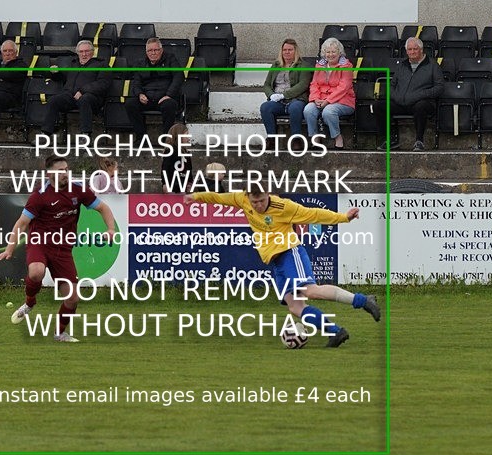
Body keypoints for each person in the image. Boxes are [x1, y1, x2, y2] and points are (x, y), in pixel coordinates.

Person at [183, 184, 380, 348]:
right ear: (247, 197)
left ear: (268, 194)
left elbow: (313, 214)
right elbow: (218, 198)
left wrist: (343, 218)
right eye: (254, 202)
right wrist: (196, 196)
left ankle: (363, 300)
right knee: (295, 307)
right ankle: (336, 332)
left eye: (261, 200)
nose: (258, 206)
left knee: (311, 291)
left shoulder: (283, 206)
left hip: (290, 252)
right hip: (275, 261)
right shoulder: (241, 199)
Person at [0, 156, 116, 342]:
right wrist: (10, 249)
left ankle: (60, 333)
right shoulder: (40, 196)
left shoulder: (78, 190)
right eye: (60, 171)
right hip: (40, 243)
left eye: (66, 169)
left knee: (73, 298)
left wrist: (110, 229)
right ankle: (30, 302)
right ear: (49, 174)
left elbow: (103, 208)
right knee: (36, 272)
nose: (65, 174)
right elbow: (22, 223)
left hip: (63, 250)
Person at [373, 37, 444, 152]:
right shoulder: (402, 65)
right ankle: (388, 140)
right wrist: (397, 97)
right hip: (401, 102)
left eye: (415, 49)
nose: (412, 52)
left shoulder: (432, 65)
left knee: (420, 106)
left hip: (422, 102)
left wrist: (420, 95)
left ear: (421, 49)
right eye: (409, 49)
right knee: (379, 106)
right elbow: (392, 85)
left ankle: (419, 141)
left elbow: (439, 88)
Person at [40, 40, 112, 139]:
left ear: (93, 52)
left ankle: (85, 135)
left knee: (84, 99)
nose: (84, 54)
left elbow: (103, 83)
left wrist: (83, 91)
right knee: (54, 100)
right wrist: (55, 73)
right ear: (77, 53)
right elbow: (63, 78)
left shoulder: (102, 65)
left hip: (92, 97)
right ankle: (45, 135)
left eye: (87, 51)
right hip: (70, 95)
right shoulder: (73, 64)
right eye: (81, 52)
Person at [125, 38, 184, 141]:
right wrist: (140, 94)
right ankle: (141, 138)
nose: (153, 53)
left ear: (161, 50)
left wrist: (168, 95)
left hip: (165, 98)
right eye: (150, 50)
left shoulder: (171, 59)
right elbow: (136, 82)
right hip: (147, 98)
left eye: (156, 50)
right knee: (130, 104)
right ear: (146, 52)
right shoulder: (140, 63)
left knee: (170, 105)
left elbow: (179, 77)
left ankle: (166, 139)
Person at [302, 38, 355, 150]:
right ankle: (315, 138)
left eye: (333, 52)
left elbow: (343, 87)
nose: (330, 55)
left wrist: (328, 101)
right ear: (324, 53)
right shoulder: (320, 66)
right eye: (328, 52)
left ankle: (337, 137)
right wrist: (315, 98)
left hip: (343, 101)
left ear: (339, 53)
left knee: (328, 111)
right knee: (308, 110)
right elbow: (314, 84)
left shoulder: (346, 66)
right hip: (321, 99)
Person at [260, 39, 310, 151]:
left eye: (290, 50)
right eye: (284, 50)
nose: (287, 52)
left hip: (296, 99)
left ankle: (296, 139)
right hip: (278, 102)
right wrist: (271, 94)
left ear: (295, 51)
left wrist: (284, 95)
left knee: (295, 108)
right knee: (265, 107)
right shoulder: (276, 65)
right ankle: (271, 139)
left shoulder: (303, 65)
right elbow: (267, 84)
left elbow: (303, 85)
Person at [160, 122, 193, 193]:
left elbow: (189, 168)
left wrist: (190, 182)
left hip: (183, 183)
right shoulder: (170, 150)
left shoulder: (185, 152)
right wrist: (165, 183)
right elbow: (165, 168)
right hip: (172, 184)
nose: (188, 138)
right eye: (186, 135)